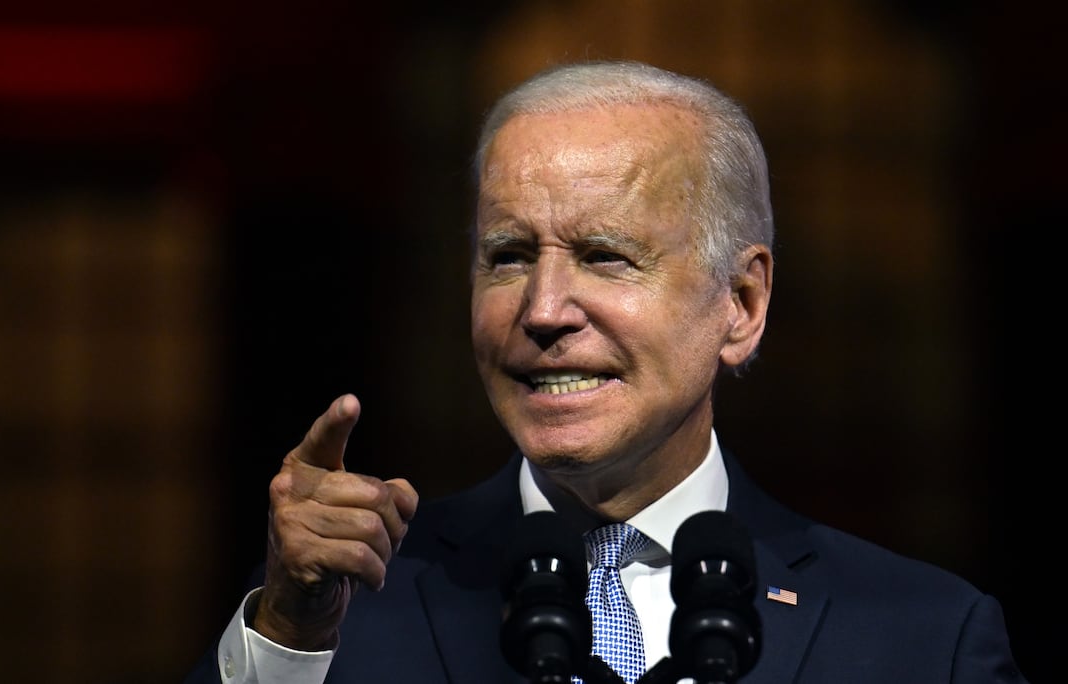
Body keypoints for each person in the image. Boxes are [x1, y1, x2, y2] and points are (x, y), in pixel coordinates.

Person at [182, 59, 1027, 683]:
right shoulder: (335, 610)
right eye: (508, 257)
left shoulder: (924, 637)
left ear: (741, 302)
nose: (544, 309)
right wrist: (290, 634)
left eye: (606, 256)